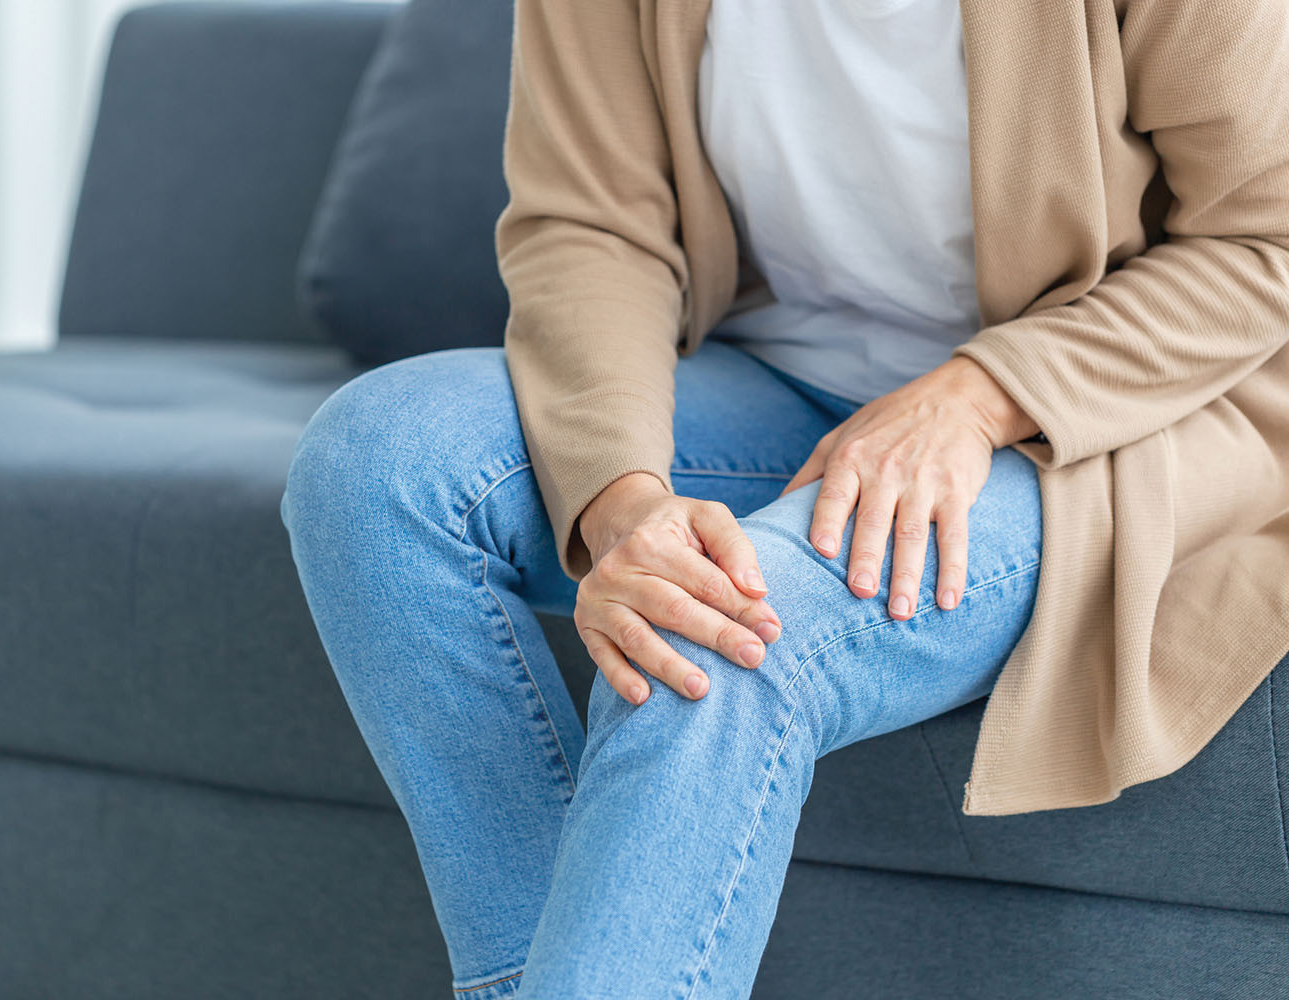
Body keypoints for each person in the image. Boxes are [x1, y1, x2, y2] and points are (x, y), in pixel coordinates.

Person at [282, 0, 1289, 996]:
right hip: (779, 386)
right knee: (379, 470)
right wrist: (626, 508)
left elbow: (1266, 241)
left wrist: (979, 396)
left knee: (711, 639)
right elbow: (591, 222)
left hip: (1095, 418)